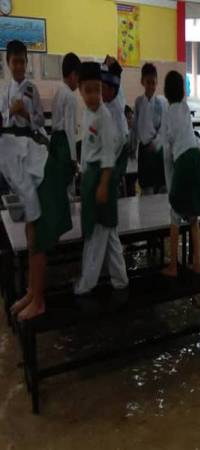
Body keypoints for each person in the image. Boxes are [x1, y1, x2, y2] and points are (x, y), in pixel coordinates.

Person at [1, 114, 74, 320]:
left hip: (46, 178)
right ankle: (32, 292)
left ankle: (38, 301)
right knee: (31, 235)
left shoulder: (4, 152)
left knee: (38, 241)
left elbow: (25, 188)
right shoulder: (4, 144)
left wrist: (32, 220)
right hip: (39, 179)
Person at [74, 62, 128, 296]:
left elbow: (108, 156)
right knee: (109, 233)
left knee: (97, 235)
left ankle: (87, 284)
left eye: (97, 89)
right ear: (80, 89)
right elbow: (87, 148)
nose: (94, 95)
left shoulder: (104, 116)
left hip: (102, 181)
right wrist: (82, 172)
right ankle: (120, 280)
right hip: (91, 179)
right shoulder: (87, 113)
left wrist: (104, 184)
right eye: (89, 90)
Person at [160, 71, 200, 278]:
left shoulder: (168, 112)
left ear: (165, 91)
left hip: (182, 159)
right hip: (196, 157)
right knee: (193, 216)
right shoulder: (185, 108)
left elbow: (165, 153)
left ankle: (173, 266)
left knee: (175, 214)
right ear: (182, 90)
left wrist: (169, 186)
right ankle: (196, 263)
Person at [131, 63, 168, 195]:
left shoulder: (161, 103)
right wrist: (132, 146)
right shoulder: (138, 102)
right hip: (144, 149)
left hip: (157, 150)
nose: (151, 86)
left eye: (153, 82)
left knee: (162, 188)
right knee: (147, 189)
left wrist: (156, 143)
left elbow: (164, 127)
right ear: (142, 82)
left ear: (157, 82)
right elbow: (134, 128)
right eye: (148, 82)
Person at [50, 52, 81, 193]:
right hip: (64, 145)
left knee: (57, 185)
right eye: (78, 77)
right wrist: (73, 159)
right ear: (73, 74)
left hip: (55, 143)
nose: (79, 82)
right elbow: (69, 129)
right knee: (68, 187)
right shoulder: (70, 96)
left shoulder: (58, 92)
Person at [0, 40, 45, 136]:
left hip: (29, 137)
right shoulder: (5, 91)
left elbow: (41, 120)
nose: (19, 66)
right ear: (8, 63)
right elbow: (1, 120)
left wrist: (25, 114)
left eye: (22, 62)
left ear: (26, 62)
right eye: (15, 62)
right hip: (9, 137)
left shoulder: (32, 89)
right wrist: (12, 110)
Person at [101, 60, 129, 185]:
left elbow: (120, 139)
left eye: (103, 88)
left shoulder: (115, 109)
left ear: (111, 90)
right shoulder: (110, 101)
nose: (100, 92)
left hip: (117, 154)